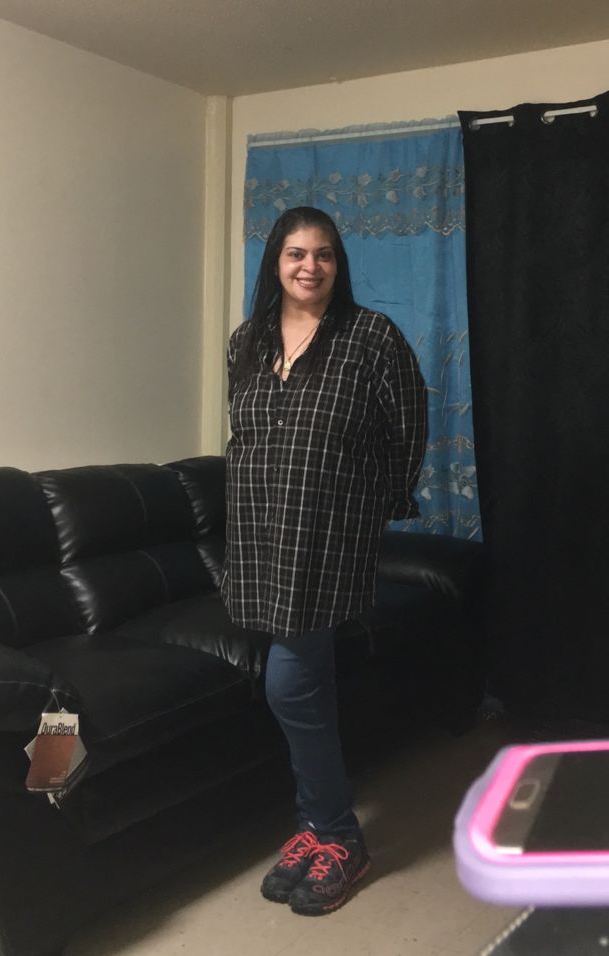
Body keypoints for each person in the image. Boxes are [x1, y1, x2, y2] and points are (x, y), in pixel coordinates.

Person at [222, 206, 427, 916]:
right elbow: (244, 433)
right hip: (260, 533)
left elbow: (407, 427)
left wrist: (371, 507)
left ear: (339, 264)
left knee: (288, 683)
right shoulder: (247, 341)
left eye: (325, 254)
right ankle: (317, 826)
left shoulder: (371, 337)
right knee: (308, 680)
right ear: (275, 262)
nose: (310, 266)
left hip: (329, 535)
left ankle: (338, 833)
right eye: (296, 253)